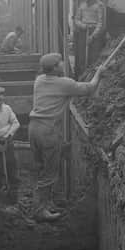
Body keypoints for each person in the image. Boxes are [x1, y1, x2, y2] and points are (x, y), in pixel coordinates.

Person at [29, 53, 105, 221]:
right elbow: (90, 88)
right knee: (49, 171)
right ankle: (40, 210)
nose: (63, 63)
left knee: (42, 168)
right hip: (48, 131)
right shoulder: (63, 84)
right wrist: (99, 73)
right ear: (55, 67)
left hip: (33, 129)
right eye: (60, 62)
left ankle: (46, 203)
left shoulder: (40, 80)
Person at [73, 0, 105, 77]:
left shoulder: (99, 5)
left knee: (94, 56)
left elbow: (101, 22)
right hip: (83, 32)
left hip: (95, 32)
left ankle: (92, 77)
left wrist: (93, 36)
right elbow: (76, 19)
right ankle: (81, 75)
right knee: (82, 56)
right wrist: (82, 25)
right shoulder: (82, 5)